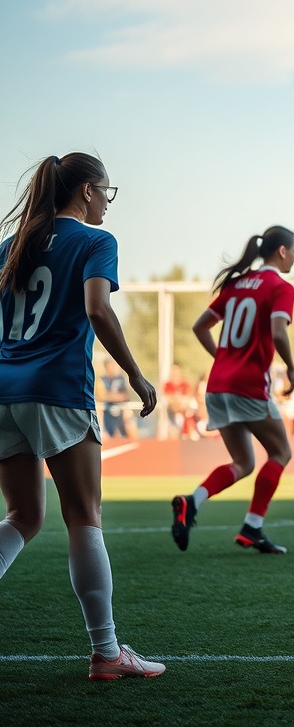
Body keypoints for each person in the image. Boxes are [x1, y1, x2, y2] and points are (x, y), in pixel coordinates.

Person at [0, 153, 164, 679]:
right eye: (107, 193)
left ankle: (109, 652)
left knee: (24, 517)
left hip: (4, 389)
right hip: (59, 388)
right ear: (89, 191)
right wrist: (137, 375)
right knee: (84, 517)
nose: (107, 205)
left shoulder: (12, 245)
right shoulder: (96, 242)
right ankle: (107, 652)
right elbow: (97, 308)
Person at [171, 226, 294, 555]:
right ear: (282, 251)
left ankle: (191, 502)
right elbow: (279, 333)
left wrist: (223, 358)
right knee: (281, 452)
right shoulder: (280, 286)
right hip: (248, 385)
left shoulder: (237, 284)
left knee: (243, 462)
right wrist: (292, 369)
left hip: (218, 385)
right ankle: (252, 527)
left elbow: (200, 326)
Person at [98, 358, 134, 440]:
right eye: (109, 366)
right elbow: (101, 395)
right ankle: (102, 434)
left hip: (121, 406)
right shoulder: (102, 379)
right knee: (99, 410)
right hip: (106, 407)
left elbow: (126, 394)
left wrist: (115, 397)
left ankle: (132, 439)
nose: (111, 368)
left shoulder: (121, 379)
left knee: (128, 414)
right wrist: (111, 397)